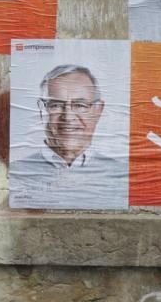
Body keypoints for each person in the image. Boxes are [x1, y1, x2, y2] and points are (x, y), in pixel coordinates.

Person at [10, 64, 127, 210]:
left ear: (98, 110)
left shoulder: (123, 177)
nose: (68, 117)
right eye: (56, 105)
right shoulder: (13, 175)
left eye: (80, 105)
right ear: (42, 110)